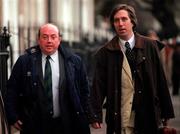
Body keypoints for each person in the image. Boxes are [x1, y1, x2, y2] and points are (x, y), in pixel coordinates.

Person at [90, 4, 174, 134]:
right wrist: (95, 114)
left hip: (148, 115)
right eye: (116, 20)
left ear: (132, 22)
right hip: (120, 116)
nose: (120, 24)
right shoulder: (105, 52)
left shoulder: (150, 46)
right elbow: (98, 86)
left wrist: (166, 112)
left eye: (124, 19)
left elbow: (160, 80)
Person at [5, 23, 92, 134]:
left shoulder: (74, 61)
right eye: (45, 37)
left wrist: (85, 116)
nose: (49, 41)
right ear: (39, 40)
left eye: (53, 37)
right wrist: (12, 116)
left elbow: (85, 90)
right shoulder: (25, 61)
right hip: (34, 125)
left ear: (59, 39)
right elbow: (12, 89)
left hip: (66, 124)